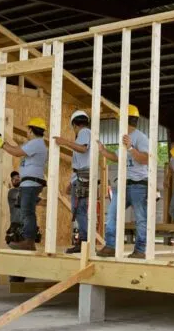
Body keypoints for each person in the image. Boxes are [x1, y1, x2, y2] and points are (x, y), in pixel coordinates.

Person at [96, 104, 149, 258]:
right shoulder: (123, 138)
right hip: (123, 184)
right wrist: (103, 151)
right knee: (112, 215)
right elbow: (119, 158)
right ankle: (111, 246)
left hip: (138, 185)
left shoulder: (140, 137)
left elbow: (146, 159)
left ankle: (140, 250)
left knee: (141, 219)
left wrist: (131, 148)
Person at [0, 118, 48, 251]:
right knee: (27, 211)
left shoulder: (36, 143)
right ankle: (28, 240)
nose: (27, 132)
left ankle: (29, 241)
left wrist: (1, 144)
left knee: (28, 213)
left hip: (31, 183)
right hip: (29, 183)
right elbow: (18, 148)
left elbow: (16, 152)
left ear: (31, 130)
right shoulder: (35, 144)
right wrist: (4, 144)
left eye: (28, 130)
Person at [53, 110, 92, 254]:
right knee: (79, 209)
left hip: (82, 177)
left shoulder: (84, 132)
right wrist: (71, 183)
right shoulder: (87, 133)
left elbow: (82, 149)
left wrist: (65, 142)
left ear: (75, 124)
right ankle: (84, 241)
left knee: (79, 210)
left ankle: (83, 242)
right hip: (80, 177)